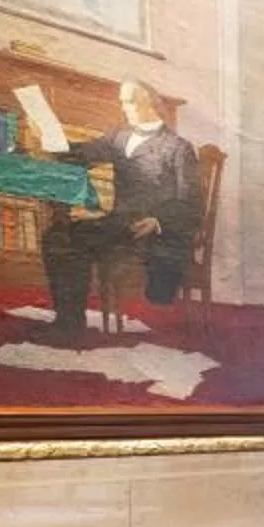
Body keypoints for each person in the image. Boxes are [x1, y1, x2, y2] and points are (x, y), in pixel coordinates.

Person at [35, 79, 202, 343]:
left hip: (154, 233)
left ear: (151, 102)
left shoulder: (178, 148)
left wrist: (158, 221)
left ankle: (69, 327)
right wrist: (51, 137)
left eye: (131, 101)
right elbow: (80, 154)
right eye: (122, 101)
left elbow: (191, 203)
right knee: (57, 235)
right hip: (120, 224)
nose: (125, 107)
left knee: (73, 238)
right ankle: (68, 321)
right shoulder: (119, 137)